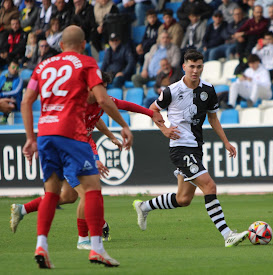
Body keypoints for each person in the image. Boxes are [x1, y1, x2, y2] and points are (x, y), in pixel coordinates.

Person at [20, 25, 133, 268]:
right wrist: (123, 125)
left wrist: (30, 138)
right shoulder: (86, 63)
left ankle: (41, 245)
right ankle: (96, 249)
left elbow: (27, 100)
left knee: (52, 193)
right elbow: (102, 99)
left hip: (45, 133)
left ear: (60, 45)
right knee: (92, 189)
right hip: (72, 132)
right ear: (83, 45)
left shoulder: (42, 66)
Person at [11, 70, 163, 250]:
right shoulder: (76, 106)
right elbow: (77, 136)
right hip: (68, 152)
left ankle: (22, 209)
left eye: (106, 88)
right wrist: (92, 159)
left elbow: (122, 106)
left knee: (67, 197)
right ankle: (84, 239)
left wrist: (149, 114)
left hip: (82, 150)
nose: (104, 92)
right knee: (87, 193)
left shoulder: (101, 101)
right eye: (101, 88)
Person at [133, 49, 249, 248]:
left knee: (183, 198)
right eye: (191, 66)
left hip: (195, 147)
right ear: (184, 66)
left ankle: (144, 206)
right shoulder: (171, 91)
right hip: (180, 148)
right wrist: (165, 129)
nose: (195, 70)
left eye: (199, 66)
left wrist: (226, 141)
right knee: (209, 187)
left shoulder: (208, 90)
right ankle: (227, 234)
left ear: (202, 67)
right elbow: (152, 110)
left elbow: (212, 118)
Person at [0, 59, 23, 123]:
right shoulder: (2, 77)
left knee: (11, 103)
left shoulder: (19, 79)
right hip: (1, 99)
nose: (15, 69)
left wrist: (2, 94)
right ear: (9, 68)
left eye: (17, 67)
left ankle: (5, 117)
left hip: (12, 100)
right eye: (13, 67)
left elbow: (16, 92)